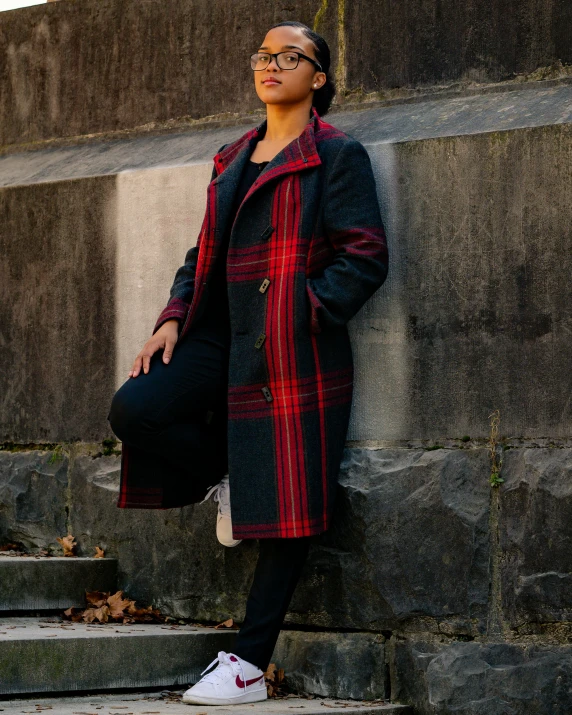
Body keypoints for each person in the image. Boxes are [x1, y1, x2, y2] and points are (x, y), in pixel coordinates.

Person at [107, 20, 388, 707]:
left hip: (292, 346)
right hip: (219, 335)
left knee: (291, 502)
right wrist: (173, 315)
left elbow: (365, 256)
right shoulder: (232, 156)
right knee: (134, 408)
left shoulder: (336, 155)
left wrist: (305, 311)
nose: (271, 65)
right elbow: (200, 255)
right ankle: (225, 471)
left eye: (290, 56)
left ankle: (248, 665)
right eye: (264, 55)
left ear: (317, 78)